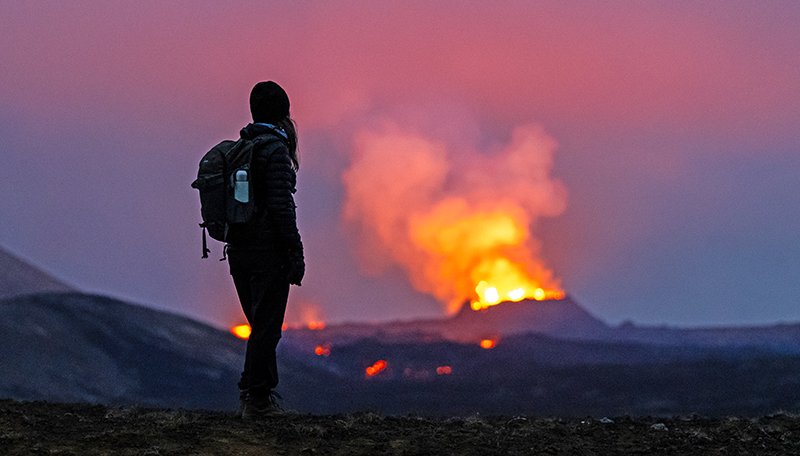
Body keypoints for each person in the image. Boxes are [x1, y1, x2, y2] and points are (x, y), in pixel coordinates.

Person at [226, 81, 304, 419]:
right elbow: (280, 206)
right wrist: (295, 250)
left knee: (260, 325)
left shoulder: (242, 147)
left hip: (238, 250)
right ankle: (256, 400)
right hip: (266, 252)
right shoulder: (275, 152)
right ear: (284, 112)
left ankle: (257, 398)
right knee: (266, 328)